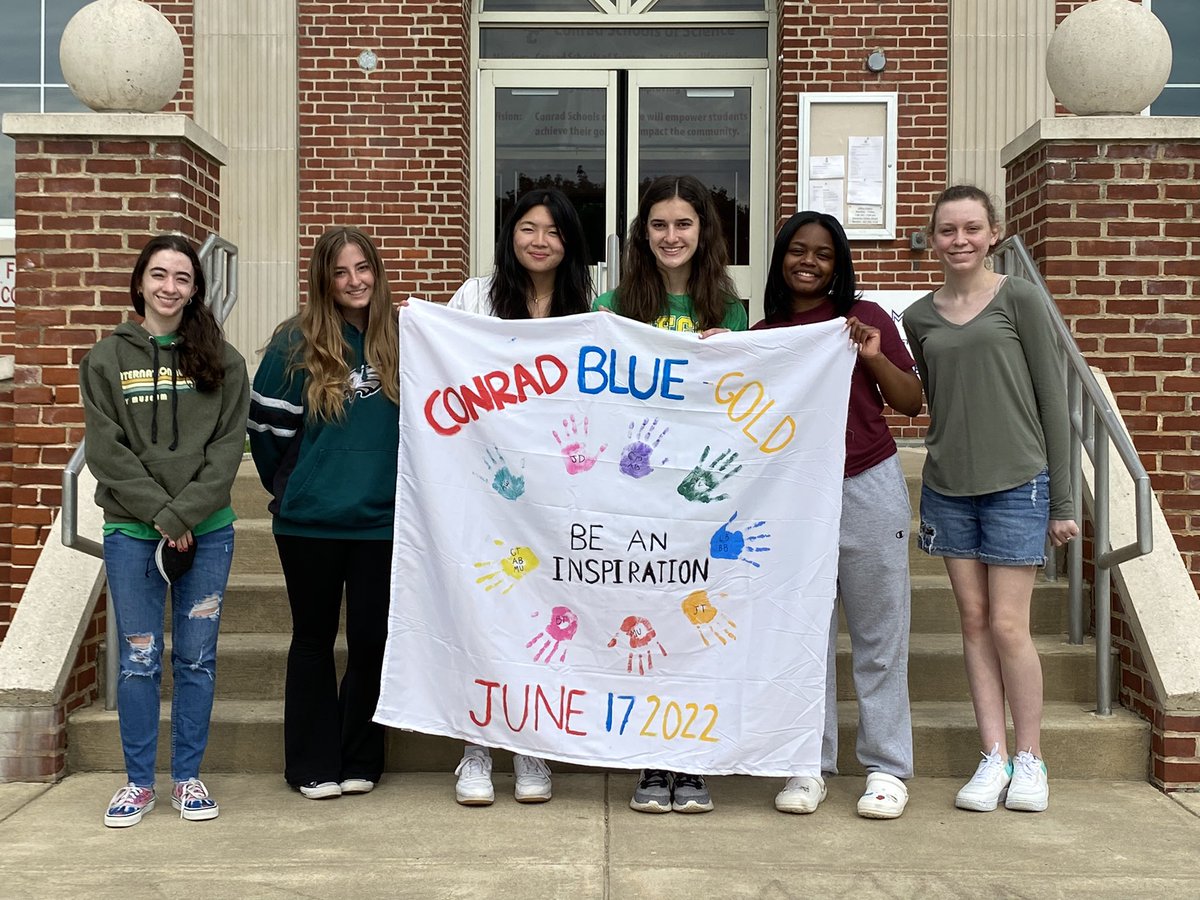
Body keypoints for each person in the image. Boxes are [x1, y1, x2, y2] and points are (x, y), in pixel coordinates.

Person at [903, 185, 1078, 814]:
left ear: (993, 233)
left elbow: (1054, 403)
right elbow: (932, 397)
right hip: (949, 487)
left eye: (971, 229)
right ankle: (993, 757)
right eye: (947, 230)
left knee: (1009, 626)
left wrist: (1063, 502)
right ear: (931, 238)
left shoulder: (1021, 298)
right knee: (973, 625)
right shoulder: (917, 318)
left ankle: (1030, 759)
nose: (960, 241)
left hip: (1017, 484)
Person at [753, 211, 922, 819]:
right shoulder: (766, 332)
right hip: (795, 494)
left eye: (823, 254)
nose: (809, 261)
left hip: (868, 483)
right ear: (780, 260)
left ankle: (886, 768)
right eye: (797, 250)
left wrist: (873, 356)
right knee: (804, 635)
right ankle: (808, 763)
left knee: (881, 632)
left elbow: (909, 400)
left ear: (838, 263)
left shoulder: (865, 319)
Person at [81, 234, 250, 827]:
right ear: (140, 283)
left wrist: (183, 517)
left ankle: (186, 778)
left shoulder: (224, 361)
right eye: (159, 275)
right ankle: (136, 783)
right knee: (138, 658)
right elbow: (107, 451)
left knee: (197, 659)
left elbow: (228, 449)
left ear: (196, 288)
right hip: (132, 531)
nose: (169, 287)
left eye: (182, 277)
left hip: (209, 532)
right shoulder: (105, 359)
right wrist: (161, 514)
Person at [594, 174, 748, 814]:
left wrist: (728, 353)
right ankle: (650, 761)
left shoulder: (729, 308)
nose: (671, 236)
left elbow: (744, 396)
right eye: (659, 224)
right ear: (643, 234)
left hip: (700, 493)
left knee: (692, 619)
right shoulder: (613, 303)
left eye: (684, 224)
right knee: (644, 624)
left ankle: (692, 761)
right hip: (635, 491)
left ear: (703, 232)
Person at [448, 187, 593, 806]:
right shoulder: (476, 297)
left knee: (543, 614)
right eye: (528, 228)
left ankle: (533, 749)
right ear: (510, 234)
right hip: (485, 484)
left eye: (554, 232)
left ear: (570, 244)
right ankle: (476, 749)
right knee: (485, 609)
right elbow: (442, 366)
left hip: (556, 490)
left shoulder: (586, 307)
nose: (539, 241)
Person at [248, 226, 400, 800]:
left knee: (370, 642)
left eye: (363, 269)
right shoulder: (295, 343)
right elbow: (265, 432)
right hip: (309, 521)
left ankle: (360, 756)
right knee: (312, 640)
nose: (354, 281)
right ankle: (311, 764)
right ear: (324, 279)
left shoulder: (401, 339)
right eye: (341, 272)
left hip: (381, 522)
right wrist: (297, 486)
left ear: (377, 273)